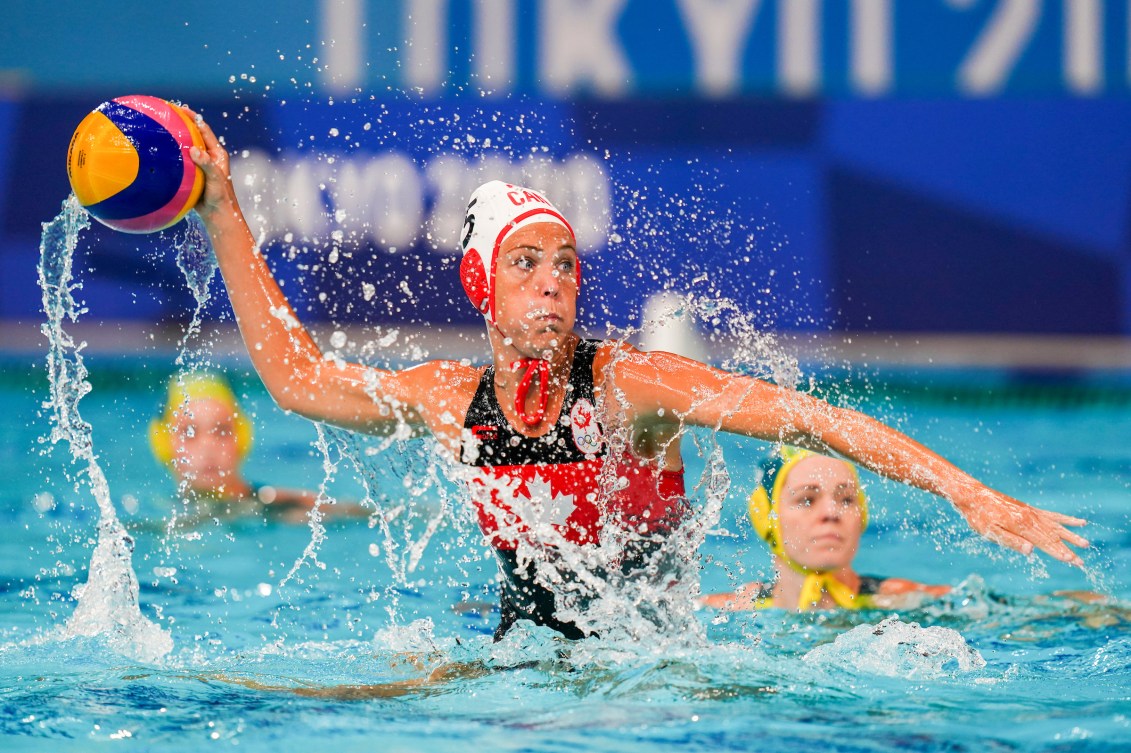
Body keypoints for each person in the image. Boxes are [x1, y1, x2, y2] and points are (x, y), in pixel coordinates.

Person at [181, 105, 1088, 641]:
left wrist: (966, 492)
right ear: (481, 287)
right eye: (525, 264)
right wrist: (223, 212)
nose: (552, 284)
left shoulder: (628, 386)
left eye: (566, 265)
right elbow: (298, 378)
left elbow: (810, 419)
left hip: (655, 665)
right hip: (517, 654)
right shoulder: (450, 399)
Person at [699, 447, 951, 612]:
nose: (831, 513)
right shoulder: (725, 611)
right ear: (766, 518)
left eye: (846, 499)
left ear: (861, 515)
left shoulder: (912, 602)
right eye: (807, 500)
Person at [150, 371, 364, 523]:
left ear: (242, 438)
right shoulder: (162, 513)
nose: (208, 448)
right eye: (190, 433)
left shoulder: (283, 507)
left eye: (222, 431)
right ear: (162, 442)